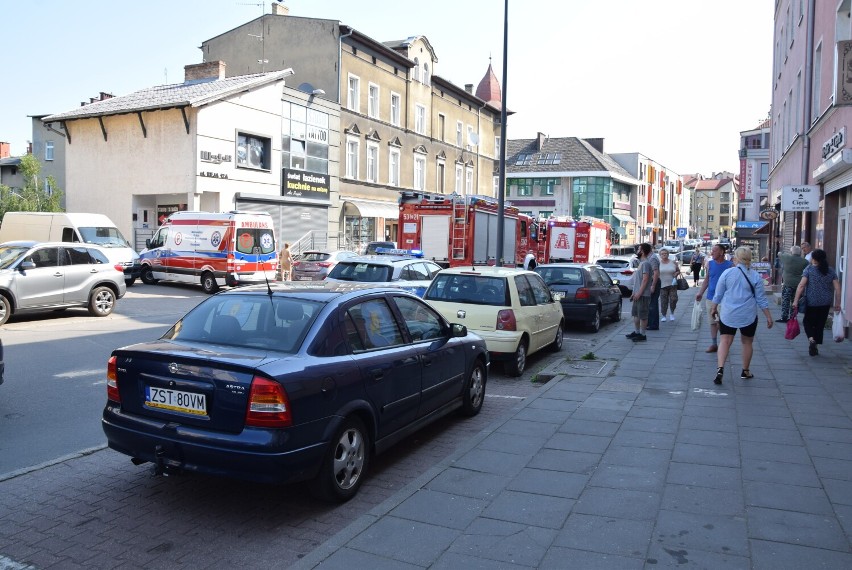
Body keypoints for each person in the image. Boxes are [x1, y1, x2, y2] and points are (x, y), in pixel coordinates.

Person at [709, 247, 774, 385]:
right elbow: (761, 299)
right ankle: (745, 371)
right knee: (747, 342)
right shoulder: (755, 276)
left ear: (736, 258)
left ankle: (720, 369)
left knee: (725, 340)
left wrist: (714, 307)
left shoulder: (727, 273)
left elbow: (718, 294)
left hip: (728, 313)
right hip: (747, 314)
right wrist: (768, 316)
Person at [792, 248, 841, 356]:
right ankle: (816, 345)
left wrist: (795, 300)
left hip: (811, 301)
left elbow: (801, 286)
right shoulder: (830, 270)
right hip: (826, 302)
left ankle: (811, 340)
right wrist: (837, 302)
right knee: (820, 324)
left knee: (807, 322)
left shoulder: (809, 269)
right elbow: (837, 288)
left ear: (813, 258)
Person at [695, 244, 733, 352]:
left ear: (721, 252)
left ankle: (724, 343)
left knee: (721, 322)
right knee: (712, 322)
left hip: (724, 299)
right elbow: (707, 279)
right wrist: (700, 293)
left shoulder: (730, 266)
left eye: (714, 251)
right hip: (711, 297)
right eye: (712, 251)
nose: (712, 253)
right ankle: (714, 344)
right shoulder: (710, 264)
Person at [626, 243, 654, 342]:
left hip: (643, 295)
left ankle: (642, 334)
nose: (637, 251)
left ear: (642, 251)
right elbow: (638, 280)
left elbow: (645, 279)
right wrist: (634, 292)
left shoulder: (645, 263)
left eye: (639, 249)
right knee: (636, 314)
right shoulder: (641, 263)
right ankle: (637, 332)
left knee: (642, 315)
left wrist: (639, 293)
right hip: (637, 294)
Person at [776, 245, 809, 323]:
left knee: (786, 300)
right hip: (799, 284)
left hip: (787, 283)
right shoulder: (805, 261)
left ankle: (784, 317)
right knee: (795, 301)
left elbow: (779, 253)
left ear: (791, 252)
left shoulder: (787, 258)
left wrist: (784, 252)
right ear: (800, 253)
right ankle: (792, 317)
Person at [657, 248, 681, 322]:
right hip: (662, 285)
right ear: (660, 255)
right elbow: (655, 273)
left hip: (673, 284)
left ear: (668, 254)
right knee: (664, 301)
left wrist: (676, 273)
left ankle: (672, 313)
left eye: (665, 253)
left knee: (674, 299)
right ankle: (664, 315)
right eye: (662, 254)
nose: (664, 255)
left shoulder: (673, 262)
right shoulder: (658, 263)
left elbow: (678, 271)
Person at [646, 247, 662, 330]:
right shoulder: (650, 257)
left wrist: (653, 285)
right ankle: (650, 323)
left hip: (653, 282)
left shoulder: (652, 258)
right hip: (651, 282)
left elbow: (656, 273)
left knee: (653, 304)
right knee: (650, 304)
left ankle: (653, 324)